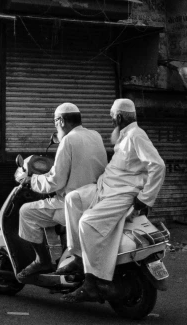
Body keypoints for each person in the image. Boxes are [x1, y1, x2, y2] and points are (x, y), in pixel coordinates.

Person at [60, 98, 165, 302]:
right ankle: (79, 256)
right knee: (72, 199)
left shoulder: (136, 135)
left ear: (118, 117)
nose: (110, 122)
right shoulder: (124, 136)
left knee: (87, 222)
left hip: (122, 193)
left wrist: (145, 199)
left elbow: (158, 165)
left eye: (111, 118)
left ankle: (93, 282)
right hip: (105, 188)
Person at [16, 102, 108, 279]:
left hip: (71, 201)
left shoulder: (68, 140)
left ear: (61, 121)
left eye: (55, 122)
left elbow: (55, 181)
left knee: (26, 212)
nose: (55, 126)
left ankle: (42, 261)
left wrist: (32, 180)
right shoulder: (95, 135)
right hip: (94, 197)